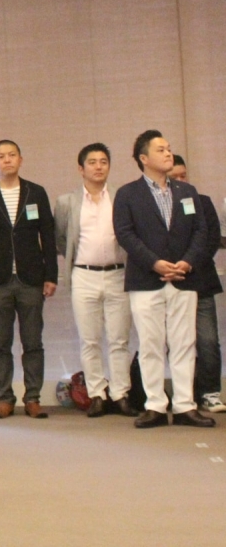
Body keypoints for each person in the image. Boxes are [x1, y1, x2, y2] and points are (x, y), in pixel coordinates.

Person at [114, 132, 213, 428]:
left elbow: (201, 231)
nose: (168, 154)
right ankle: (155, 405)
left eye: (169, 149)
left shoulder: (187, 191)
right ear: (144, 158)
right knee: (151, 344)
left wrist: (187, 261)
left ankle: (185, 406)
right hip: (146, 279)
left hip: (184, 276)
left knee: (185, 343)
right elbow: (125, 233)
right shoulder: (128, 194)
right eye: (161, 150)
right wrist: (155, 263)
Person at [0, 140, 57, 419]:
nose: (7, 160)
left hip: (31, 278)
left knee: (33, 342)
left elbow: (48, 236)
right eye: (1, 156)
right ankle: (4, 398)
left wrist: (51, 275)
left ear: (21, 159)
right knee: (0, 343)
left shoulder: (36, 192)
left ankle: (33, 398)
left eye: (12, 155)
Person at [54, 144, 134, 417]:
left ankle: (121, 394)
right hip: (83, 275)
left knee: (119, 339)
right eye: (92, 162)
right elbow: (61, 239)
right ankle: (97, 394)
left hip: (118, 274)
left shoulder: (121, 197)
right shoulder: (67, 202)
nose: (99, 166)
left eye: (103, 161)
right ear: (81, 168)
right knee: (89, 340)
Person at [169, 155, 226, 413]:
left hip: (200, 279)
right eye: (175, 177)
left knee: (208, 340)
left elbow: (212, 239)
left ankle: (210, 392)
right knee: (177, 343)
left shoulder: (201, 202)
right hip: (169, 281)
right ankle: (184, 393)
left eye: (184, 175)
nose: (181, 180)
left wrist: (189, 263)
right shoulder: (156, 206)